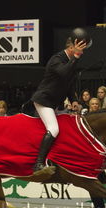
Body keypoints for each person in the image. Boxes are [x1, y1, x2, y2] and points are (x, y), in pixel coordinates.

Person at [30, 27, 90, 173]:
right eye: (80, 48)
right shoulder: (57, 59)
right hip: (44, 101)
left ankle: (55, 158)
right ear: (71, 47)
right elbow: (64, 73)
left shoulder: (71, 61)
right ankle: (38, 164)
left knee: (64, 128)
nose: (83, 52)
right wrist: (76, 56)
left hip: (53, 103)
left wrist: (73, 100)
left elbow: (69, 84)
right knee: (54, 129)